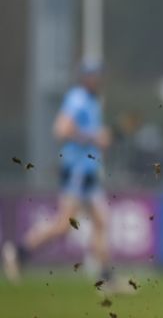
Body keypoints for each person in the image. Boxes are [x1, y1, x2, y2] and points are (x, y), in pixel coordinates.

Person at [3, 61, 113, 285]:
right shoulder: (78, 98)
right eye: (93, 75)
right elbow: (61, 129)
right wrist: (94, 137)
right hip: (77, 170)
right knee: (64, 225)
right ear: (84, 77)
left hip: (88, 171)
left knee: (101, 222)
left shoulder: (92, 100)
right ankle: (18, 251)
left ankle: (106, 279)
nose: (97, 79)